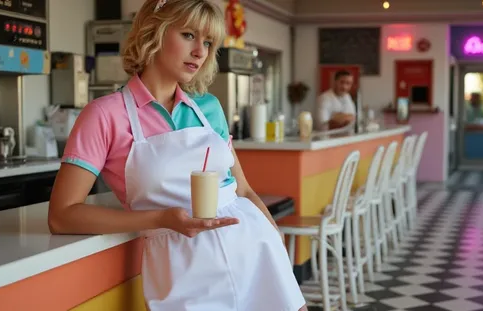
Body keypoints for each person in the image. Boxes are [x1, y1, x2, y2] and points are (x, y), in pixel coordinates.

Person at [47, 1, 307, 310]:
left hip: (253, 248)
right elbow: (62, 215)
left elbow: (244, 189)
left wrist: (272, 232)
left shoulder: (210, 108)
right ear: (152, 33)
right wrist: (160, 219)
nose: (201, 51)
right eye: (188, 35)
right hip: (183, 268)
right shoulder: (104, 115)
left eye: (208, 42)